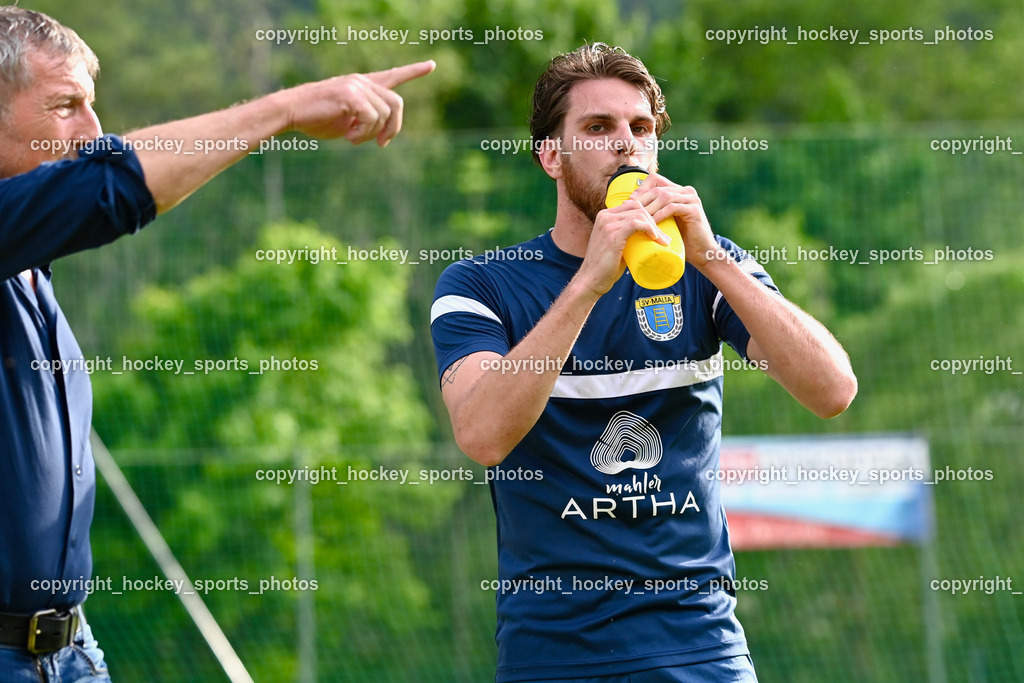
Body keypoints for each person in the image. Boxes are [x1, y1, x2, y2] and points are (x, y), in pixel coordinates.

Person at [0, 6, 433, 680]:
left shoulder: (29, 268)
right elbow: (109, 186)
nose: (93, 131)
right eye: (66, 106)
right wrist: (288, 108)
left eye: (94, 106)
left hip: (67, 651)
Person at [430, 43, 856, 682]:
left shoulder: (707, 267)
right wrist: (589, 286)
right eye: (597, 128)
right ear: (552, 155)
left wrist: (713, 259)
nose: (625, 144)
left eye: (641, 128)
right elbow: (482, 434)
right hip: (552, 655)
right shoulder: (483, 284)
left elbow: (832, 390)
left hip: (699, 648)